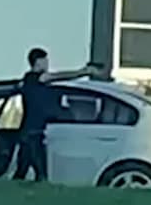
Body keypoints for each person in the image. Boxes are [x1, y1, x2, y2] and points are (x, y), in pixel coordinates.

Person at [10, 48, 98, 182]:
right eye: (45, 61)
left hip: (30, 132)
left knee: (21, 171)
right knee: (40, 173)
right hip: (33, 133)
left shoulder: (30, 81)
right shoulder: (34, 77)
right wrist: (82, 72)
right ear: (37, 62)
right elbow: (58, 76)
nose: (47, 64)